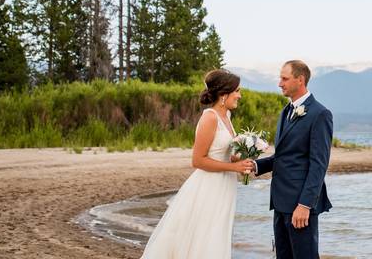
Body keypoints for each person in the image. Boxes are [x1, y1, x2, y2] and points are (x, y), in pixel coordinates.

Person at [141, 69, 256, 259]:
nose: (239, 96)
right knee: (205, 234)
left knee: (216, 232)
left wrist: (242, 160)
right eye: (237, 91)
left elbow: (223, 153)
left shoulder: (227, 117)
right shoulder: (210, 117)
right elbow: (198, 160)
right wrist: (233, 167)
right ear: (223, 94)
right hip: (209, 186)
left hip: (225, 186)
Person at [255, 60, 333, 259]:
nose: (280, 83)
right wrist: (255, 166)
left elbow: (319, 164)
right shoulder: (286, 111)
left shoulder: (320, 114)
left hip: (300, 205)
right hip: (280, 201)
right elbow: (283, 157)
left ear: (300, 80)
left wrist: (305, 205)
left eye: (284, 78)